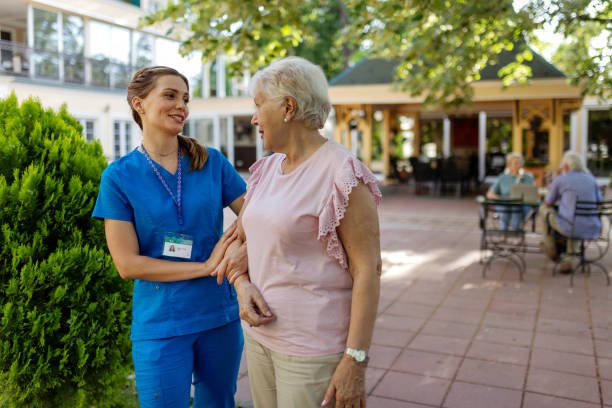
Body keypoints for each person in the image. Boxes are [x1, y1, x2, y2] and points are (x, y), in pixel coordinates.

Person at [217, 56, 382, 408]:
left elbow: (368, 270)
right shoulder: (266, 170)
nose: (254, 118)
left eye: (259, 105)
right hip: (260, 339)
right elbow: (239, 246)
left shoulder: (342, 174)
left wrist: (355, 359)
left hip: (312, 352)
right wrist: (242, 284)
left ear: (288, 107)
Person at [92, 66, 246, 407]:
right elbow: (127, 264)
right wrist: (206, 266)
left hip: (218, 315)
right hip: (160, 324)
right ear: (139, 104)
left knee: (219, 403)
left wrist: (238, 247)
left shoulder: (212, 163)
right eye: (170, 95)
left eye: (186, 99)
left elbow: (256, 216)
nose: (182, 106)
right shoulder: (118, 177)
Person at [539, 150, 602, 272]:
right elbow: (599, 202)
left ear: (566, 166)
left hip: (570, 226)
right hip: (593, 227)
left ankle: (550, 246)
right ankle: (568, 260)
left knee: (543, 209)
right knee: (576, 218)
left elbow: (548, 203)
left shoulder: (561, 179)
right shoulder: (592, 179)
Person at [486, 152, 535, 230]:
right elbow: (490, 194)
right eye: (515, 163)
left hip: (522, 205)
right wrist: (501, 198)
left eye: (520, 163)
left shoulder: (528, 177)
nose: (518, 165)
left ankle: (514, 231)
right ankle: (505, 231)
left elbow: (533, 194)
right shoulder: (503, 177)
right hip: (504, 204)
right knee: (506, 207)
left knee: (515, 207)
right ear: (509, 165)